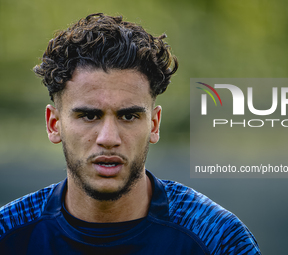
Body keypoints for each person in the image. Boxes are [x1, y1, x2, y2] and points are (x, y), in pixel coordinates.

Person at [0, 13, 261, 254]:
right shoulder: (7, 234)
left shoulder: (219, 240)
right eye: (89, 115)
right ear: (53, 124)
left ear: (154, 125)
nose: (108, 138)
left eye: (128, 116)